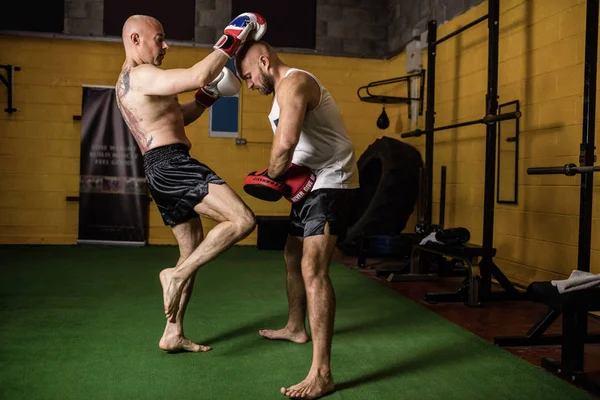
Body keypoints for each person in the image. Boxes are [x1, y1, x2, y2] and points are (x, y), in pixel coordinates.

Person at [115, 13, 265, 353]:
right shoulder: (140, 74)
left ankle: (172, 332)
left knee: (191, 248)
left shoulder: (137, 80)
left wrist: (207, 96)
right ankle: (176, 276)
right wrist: (233, 36)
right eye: (159, 38)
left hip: (159, 168)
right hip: (172, 165)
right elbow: (198, 73)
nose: (165, 45)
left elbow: (175, 118)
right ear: (135, 40)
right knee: (242, 220)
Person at [235, 40, 359, 399]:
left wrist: (271, 176)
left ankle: (322, 373)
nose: (249, 84)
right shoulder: (281, 93)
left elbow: (286, 142)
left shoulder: (295, 82)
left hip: (332, 181)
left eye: (247, 76)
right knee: (292, 255)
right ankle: (295, 327)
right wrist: (281, 176)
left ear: (263, 60)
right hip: (309, 182)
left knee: (313, 267)